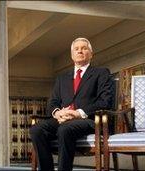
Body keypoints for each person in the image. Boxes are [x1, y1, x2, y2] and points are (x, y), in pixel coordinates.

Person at [29, 37, 113, 171]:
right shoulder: (62, 78)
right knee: (36, 129)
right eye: (76, 49)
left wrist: (78, 113)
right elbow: (53, 102)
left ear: (91, 54)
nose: (80, 51)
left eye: (84, 48)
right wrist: (58, 113)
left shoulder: (101, 73)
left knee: (65, 129)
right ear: (72, 55)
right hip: (63, 119)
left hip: (89, 119)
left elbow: (105, 101)